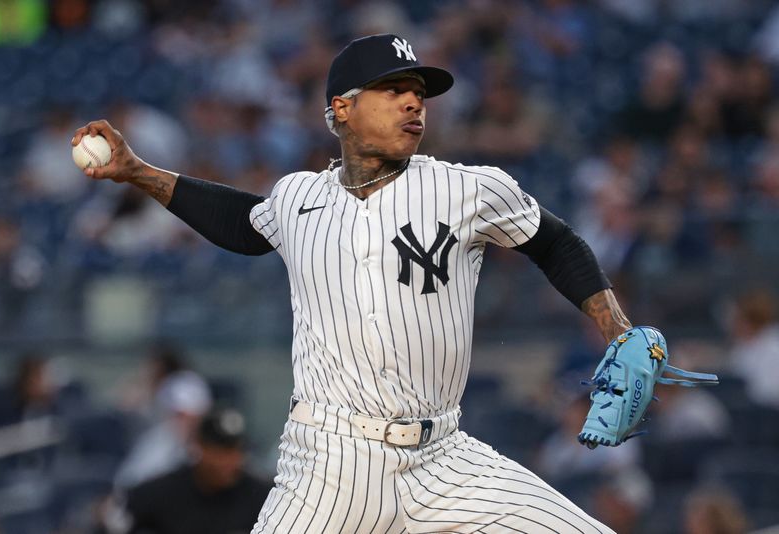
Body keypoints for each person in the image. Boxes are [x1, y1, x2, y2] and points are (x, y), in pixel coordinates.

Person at [72, 33, 637, 532]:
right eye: (392, 89)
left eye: (418, 90)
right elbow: (244, 225)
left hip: (445, 459)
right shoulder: (298, 198)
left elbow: (555, 241)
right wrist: (137, 171)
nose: (414, 101)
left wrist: (615, 327)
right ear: (342, 108)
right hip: (329, 464)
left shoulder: (470, 189)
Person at [119, 407, 272, 534]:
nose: (229, 461)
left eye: (236, 451)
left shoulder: (264, 497)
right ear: (199, 447)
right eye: (220, 451)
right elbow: (119, 521)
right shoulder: (159, 493)